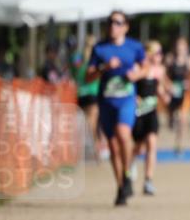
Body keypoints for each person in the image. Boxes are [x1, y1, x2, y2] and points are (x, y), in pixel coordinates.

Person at [86, 11, 147, 206]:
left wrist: (135, 76)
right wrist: (104, 68)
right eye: (110, 22)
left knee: (123, 134)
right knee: (112, 146)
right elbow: (88, 76)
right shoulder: (100, 48)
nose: (113, 26)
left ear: (126, 26)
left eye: (117, 22)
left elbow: (146, 68)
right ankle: (121, 186)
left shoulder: (134, 47)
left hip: (126, 99)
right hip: (106, 102)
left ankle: (128, 173)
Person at [131, 41, 172, 195]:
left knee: (152, 144)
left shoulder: (160, 71)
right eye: (156, 53)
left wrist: (165, 96)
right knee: (139, 147)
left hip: (152, 112)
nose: (159, 56)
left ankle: (148, 180)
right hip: (138, 113)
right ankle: (131, 163)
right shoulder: (138, 68)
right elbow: (130, 84)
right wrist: (134, 97)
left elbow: (159, 88)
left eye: (160, 53)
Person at [72, 35, 108, 162]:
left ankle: (85, 151)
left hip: (81, 94)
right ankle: (96, 151)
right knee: (93, 126)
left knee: (85, 125)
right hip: (93, 94)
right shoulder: (97, 59)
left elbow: (74, 72)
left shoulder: (77, 58)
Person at [166, 37, 190, 155]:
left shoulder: (189, 61)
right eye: (178, 46)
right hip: (173, 92)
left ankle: (179, 144)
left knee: (182, 119)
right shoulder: (170, 60)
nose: (180, 49)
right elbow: (164, 76)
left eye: (183, 46)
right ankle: (170, 117)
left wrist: (189, 83)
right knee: (172, 117)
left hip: (185, 94)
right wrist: (169, 85)